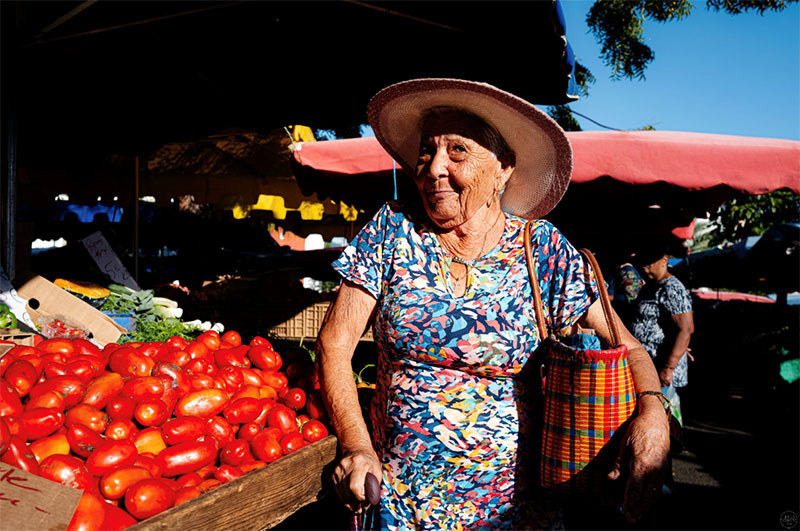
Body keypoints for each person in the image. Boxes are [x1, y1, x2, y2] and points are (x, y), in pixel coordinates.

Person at [317, 79, 671, 529]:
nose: (432, 169)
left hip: (515, 512)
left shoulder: (541, 249)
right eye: (427, 151)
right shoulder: (392, 231)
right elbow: (335, 343)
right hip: (398, 503)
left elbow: (630, 348)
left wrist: (654, 413)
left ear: (503, 168)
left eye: (457, 151)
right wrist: (356, 446)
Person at [630, 244, 695, 394]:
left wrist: (669, 367)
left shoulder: (672, 288)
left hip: (660, 369)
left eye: (649, 262)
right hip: (648, 365)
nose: (644, 266)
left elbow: (685, 329)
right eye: (643, 261)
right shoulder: (650, 287)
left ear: (664, 260)